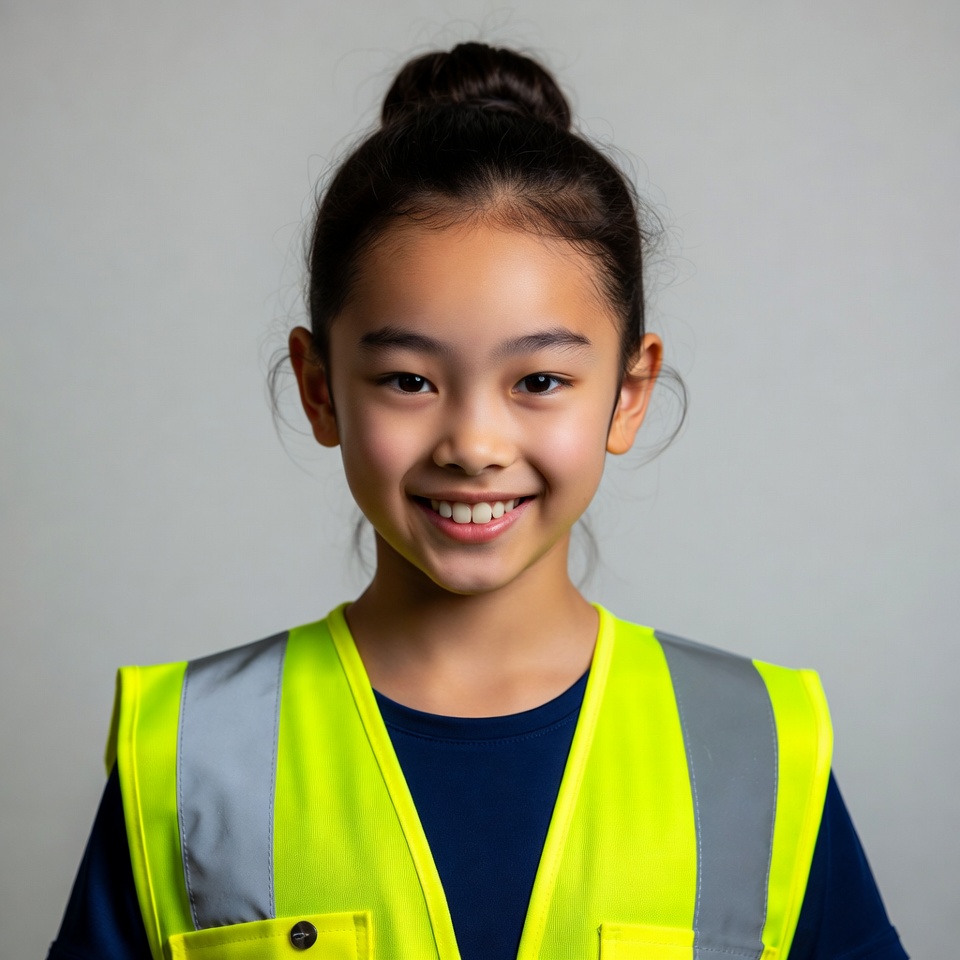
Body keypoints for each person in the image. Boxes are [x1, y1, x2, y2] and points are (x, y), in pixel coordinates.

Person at [49, 42, 907, 960]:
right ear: (320, 388)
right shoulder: (189, 751)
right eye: (409, 380)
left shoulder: (757, 747)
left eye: (539, 379)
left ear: (628, 391)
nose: (473, 445)